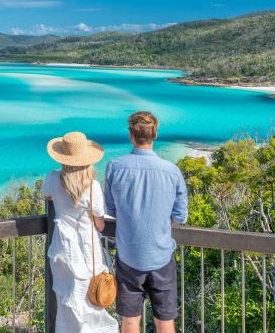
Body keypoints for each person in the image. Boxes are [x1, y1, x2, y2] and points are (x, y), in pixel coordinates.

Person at [104, 111, 188, 333]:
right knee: (164, 321)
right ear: (155, 134)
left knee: (130, 320)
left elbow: (110, 209)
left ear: (131, 135)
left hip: (128, 255)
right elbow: (180, 216)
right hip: (161, 255)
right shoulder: (172, 171)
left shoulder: (115, 166)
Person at [43, 131, 119, 333]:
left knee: (65, 300)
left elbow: (46, 196)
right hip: (87, 251)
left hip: (62, 249)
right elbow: (100, 224)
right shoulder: (92, 186)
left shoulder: (52, 178)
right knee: (90, 301)